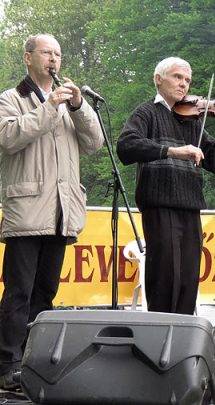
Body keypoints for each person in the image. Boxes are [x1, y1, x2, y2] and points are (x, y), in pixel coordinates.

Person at [117, 57, 215, 315]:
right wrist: (172, 151)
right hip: (160, 205)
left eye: (187, 80)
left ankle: (181, 344)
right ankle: (159, 341)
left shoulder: (192, 119)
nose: (184, 84)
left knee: (187, 279)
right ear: (158, 79)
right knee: (165, 277)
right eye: (177, 77)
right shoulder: (146, 113)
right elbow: (126, 146)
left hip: (190, 206)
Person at [0, 33, 103, 390]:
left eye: (58, 53)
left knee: (45, 291)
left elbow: (94, 143)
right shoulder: (10, 99)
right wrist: (49, 107)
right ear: (28, 57)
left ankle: (33, 360)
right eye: (47, 52)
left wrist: (77, 106)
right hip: (27, 212)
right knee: (18, 293)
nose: (54, 59)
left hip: (61, 211)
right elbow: (9, 137)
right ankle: (7, 364)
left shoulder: (68, 104)